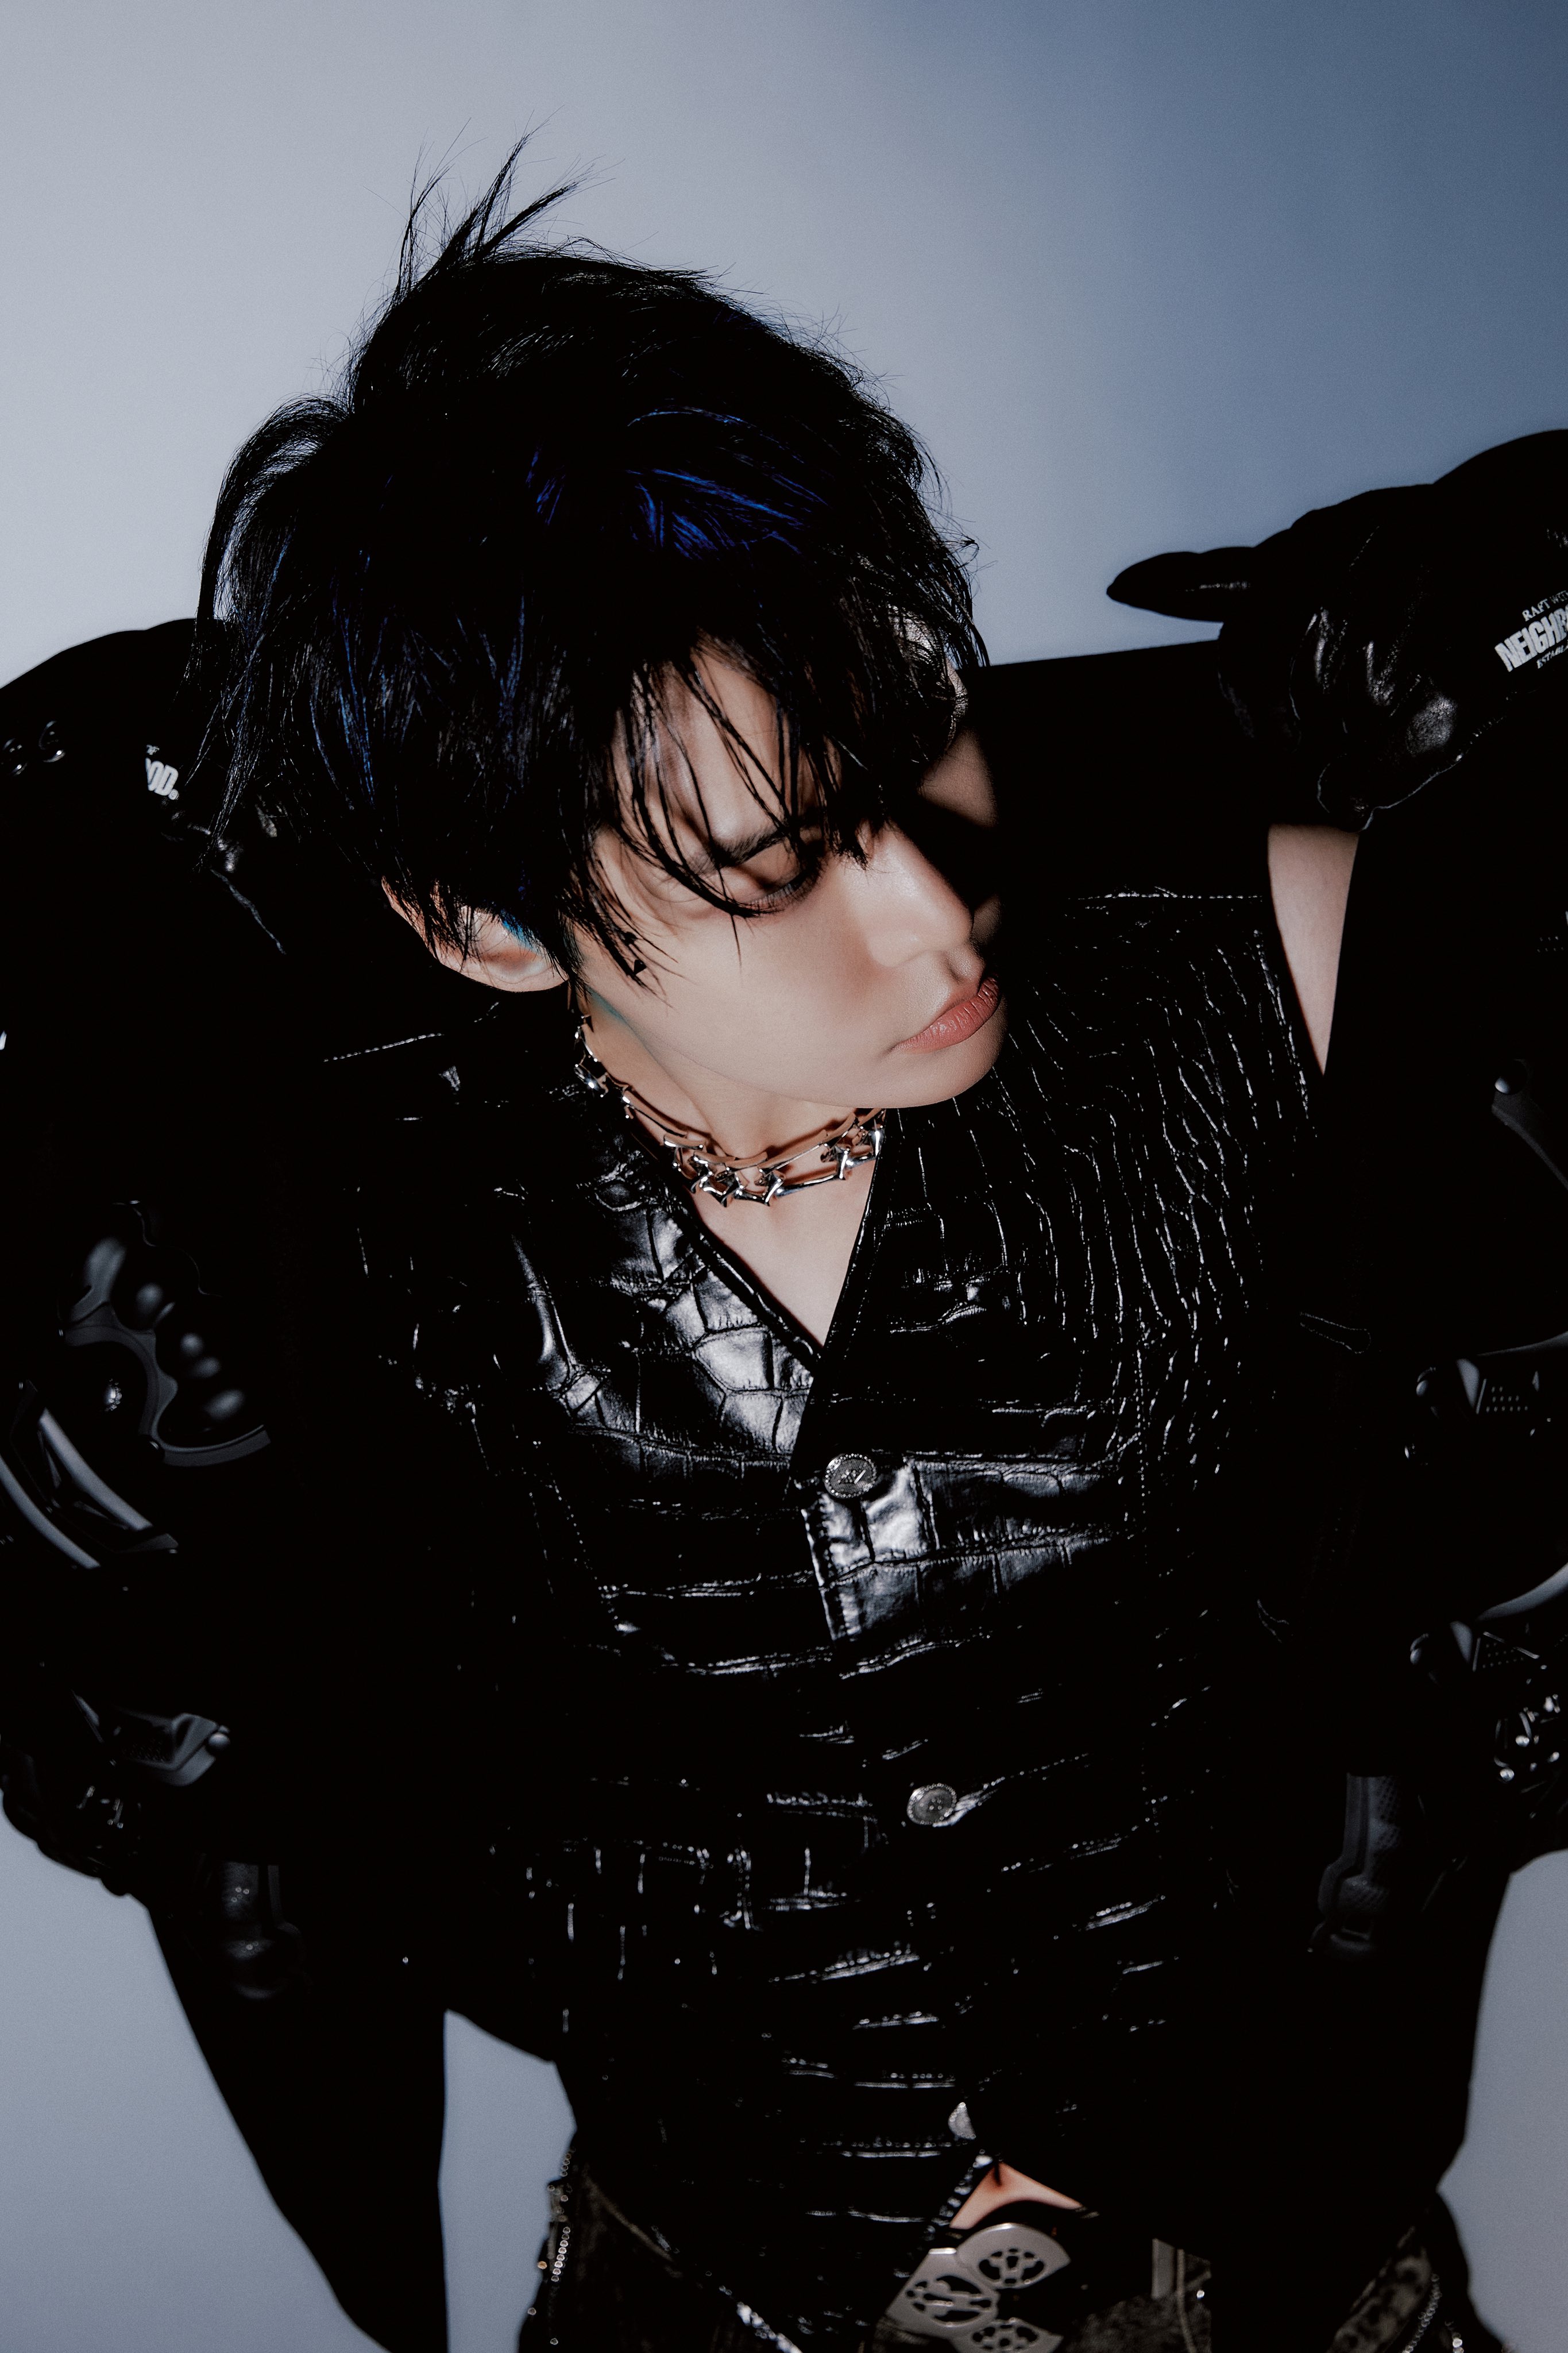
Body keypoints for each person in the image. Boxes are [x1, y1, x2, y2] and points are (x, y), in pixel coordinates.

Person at [2, 159, 1559, 2352]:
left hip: (1316, 2301)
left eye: (920, 745)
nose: (934, 913)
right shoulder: (314, 1199)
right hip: (694, 2300)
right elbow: (223, 1766)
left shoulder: (1285, 965)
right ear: (482, 924)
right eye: (773, 865)